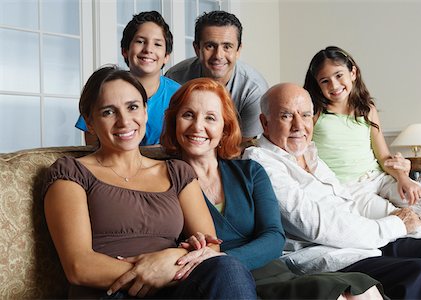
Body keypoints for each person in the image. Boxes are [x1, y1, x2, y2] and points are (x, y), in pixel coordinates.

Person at [158, 77, 384, 300]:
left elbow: (274, 237)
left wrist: (223, 256)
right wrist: (214, 262)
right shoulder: (163, 178)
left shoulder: (250, 171)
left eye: (210, 118)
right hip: (225, 284)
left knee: (363, 289)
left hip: (275, 273)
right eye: (188, 115)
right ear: (174, 121)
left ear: (224, 127)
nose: (198, 126)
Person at [43, 66, 256, 299]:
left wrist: (167, 262)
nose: (124, 121)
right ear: (90, 122)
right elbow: (79, 267)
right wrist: (153, 271)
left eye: (133, 107)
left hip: (174, 288)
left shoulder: (177, 172)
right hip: (110, 291)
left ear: (145, 111)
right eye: (108, 112)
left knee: (227, 269)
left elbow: (210, 247)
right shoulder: (71, 173)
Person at [243, 82, 421, 299]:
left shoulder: (311, 154)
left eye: (305, 115)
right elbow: (317, 226)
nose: (299, 125)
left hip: (365, 244)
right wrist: (397, 224)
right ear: (264, 123)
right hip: (331, 257)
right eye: (286, 116)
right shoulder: (260, 163)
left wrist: (403, 220)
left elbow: (347, 205)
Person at [303, 46, 421, 234]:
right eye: (325, 81)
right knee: (406, 222)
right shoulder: (315, 113)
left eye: (339, 75)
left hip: (379, 178)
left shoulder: (367, 109)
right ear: (317, 85)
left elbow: (383, 157)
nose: (334, 85)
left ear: (353, 72)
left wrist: (403, 178)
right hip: (351, 189)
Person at [75, 11, 180, 146]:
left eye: (157, 44)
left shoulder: (179, 96)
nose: (148, 49)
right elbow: (93, 148)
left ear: (166, 55)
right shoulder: (105, 89)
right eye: (140, 41)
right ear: (125, 50)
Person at [165, 10, 268, 141]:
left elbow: (244, 147)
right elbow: (169, 132)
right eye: (210, 46)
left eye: (227, 47)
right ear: (197, 49)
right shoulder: (175, 78)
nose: (218, 55)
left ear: (238, 50)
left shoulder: (254, 90)